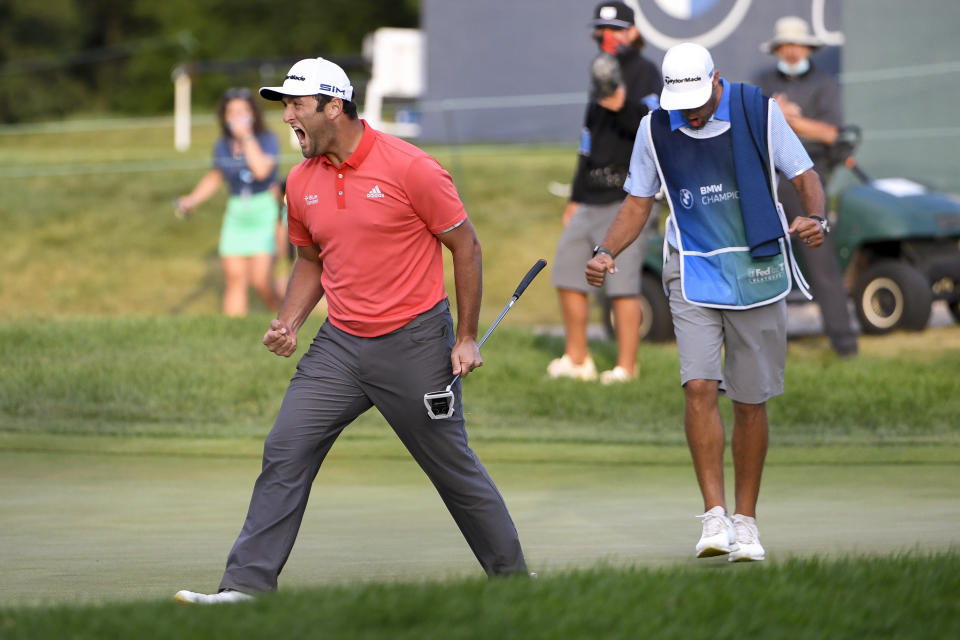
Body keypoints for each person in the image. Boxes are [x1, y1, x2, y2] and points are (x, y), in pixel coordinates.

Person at [174, 58, 528, 604]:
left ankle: (515, 583)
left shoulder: (412, 167)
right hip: (339, 346)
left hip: (414, 343)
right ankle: (245, 587)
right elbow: (310, 260)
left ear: (333, 106)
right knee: (285, 448)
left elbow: (466, 247)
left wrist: (464, 336)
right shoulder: (300, 180)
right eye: (284, 106)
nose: (287, 116)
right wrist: (288, 322)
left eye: (296, 105)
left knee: (452, 469)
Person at [586, 43, 828, 562]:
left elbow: (804, 175)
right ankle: (714, 517)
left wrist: (817, 217)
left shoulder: (756, 110)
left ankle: (747, 521)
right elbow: (637, 200)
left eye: (698, 100)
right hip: (691, 265)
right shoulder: (656, 128)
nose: (691, 113)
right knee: (699, 385)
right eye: (683, 104)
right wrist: (607, 250)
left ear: (716, 79)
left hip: (758, 265)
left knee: (749, 398)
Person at [548, 1, 662, 384]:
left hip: (627, 196)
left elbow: (656, 127)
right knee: (566, 274)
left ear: (632, 32)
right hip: (591, 194)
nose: (606, 37)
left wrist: (622, 107)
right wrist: (574, 197)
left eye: (614, 30)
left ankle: (626, 367)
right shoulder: (599, 75)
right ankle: (578, 358)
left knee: (622, 286)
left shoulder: (646, 73)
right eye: (601, 30)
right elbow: (586, 144)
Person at [755, 16, 858, 356]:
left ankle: (844, 343)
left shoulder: (824, 84)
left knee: (820, 260)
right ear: (778, 49)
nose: (792, 50)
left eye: (797, 44)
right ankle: (762, 345)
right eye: (786, 45)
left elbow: (831, 133)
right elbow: (752, 126)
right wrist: (778, 117)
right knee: (761, 262)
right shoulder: (763, 82)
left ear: (808, 48)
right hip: (767, 179)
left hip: (808, 179)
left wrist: (789, 120)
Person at [176, 87, 283, 316]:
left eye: (243, 110)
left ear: (253, 113)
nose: (237, 116)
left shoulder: (267, 139)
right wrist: (192, 200)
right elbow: (216, 176)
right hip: (236, 213)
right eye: (231, 111)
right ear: (224, 117)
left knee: (261, 280)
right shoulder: (222, 145)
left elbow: (262, 171)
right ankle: (233, 330)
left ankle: (285, 322)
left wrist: (246, 137)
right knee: (235, 279)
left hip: (264, 211)